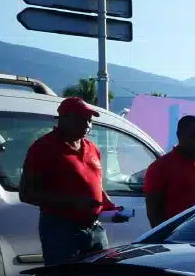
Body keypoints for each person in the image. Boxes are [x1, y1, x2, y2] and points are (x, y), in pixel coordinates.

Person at [19, 97, 122, 265]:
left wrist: (107, 204)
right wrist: (72, 202)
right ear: (64, 119)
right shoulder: (43, 148)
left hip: (94, 228)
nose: (88, 125)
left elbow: (93, 183)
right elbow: (26, 194)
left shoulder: (92, 148)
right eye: (82, 120)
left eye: (89, 120)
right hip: (61, 229)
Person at [144, 115, 195, 228]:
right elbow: (154, 213)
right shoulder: (160, 167)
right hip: (177, 238)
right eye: (194, 135)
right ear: (180, 136)